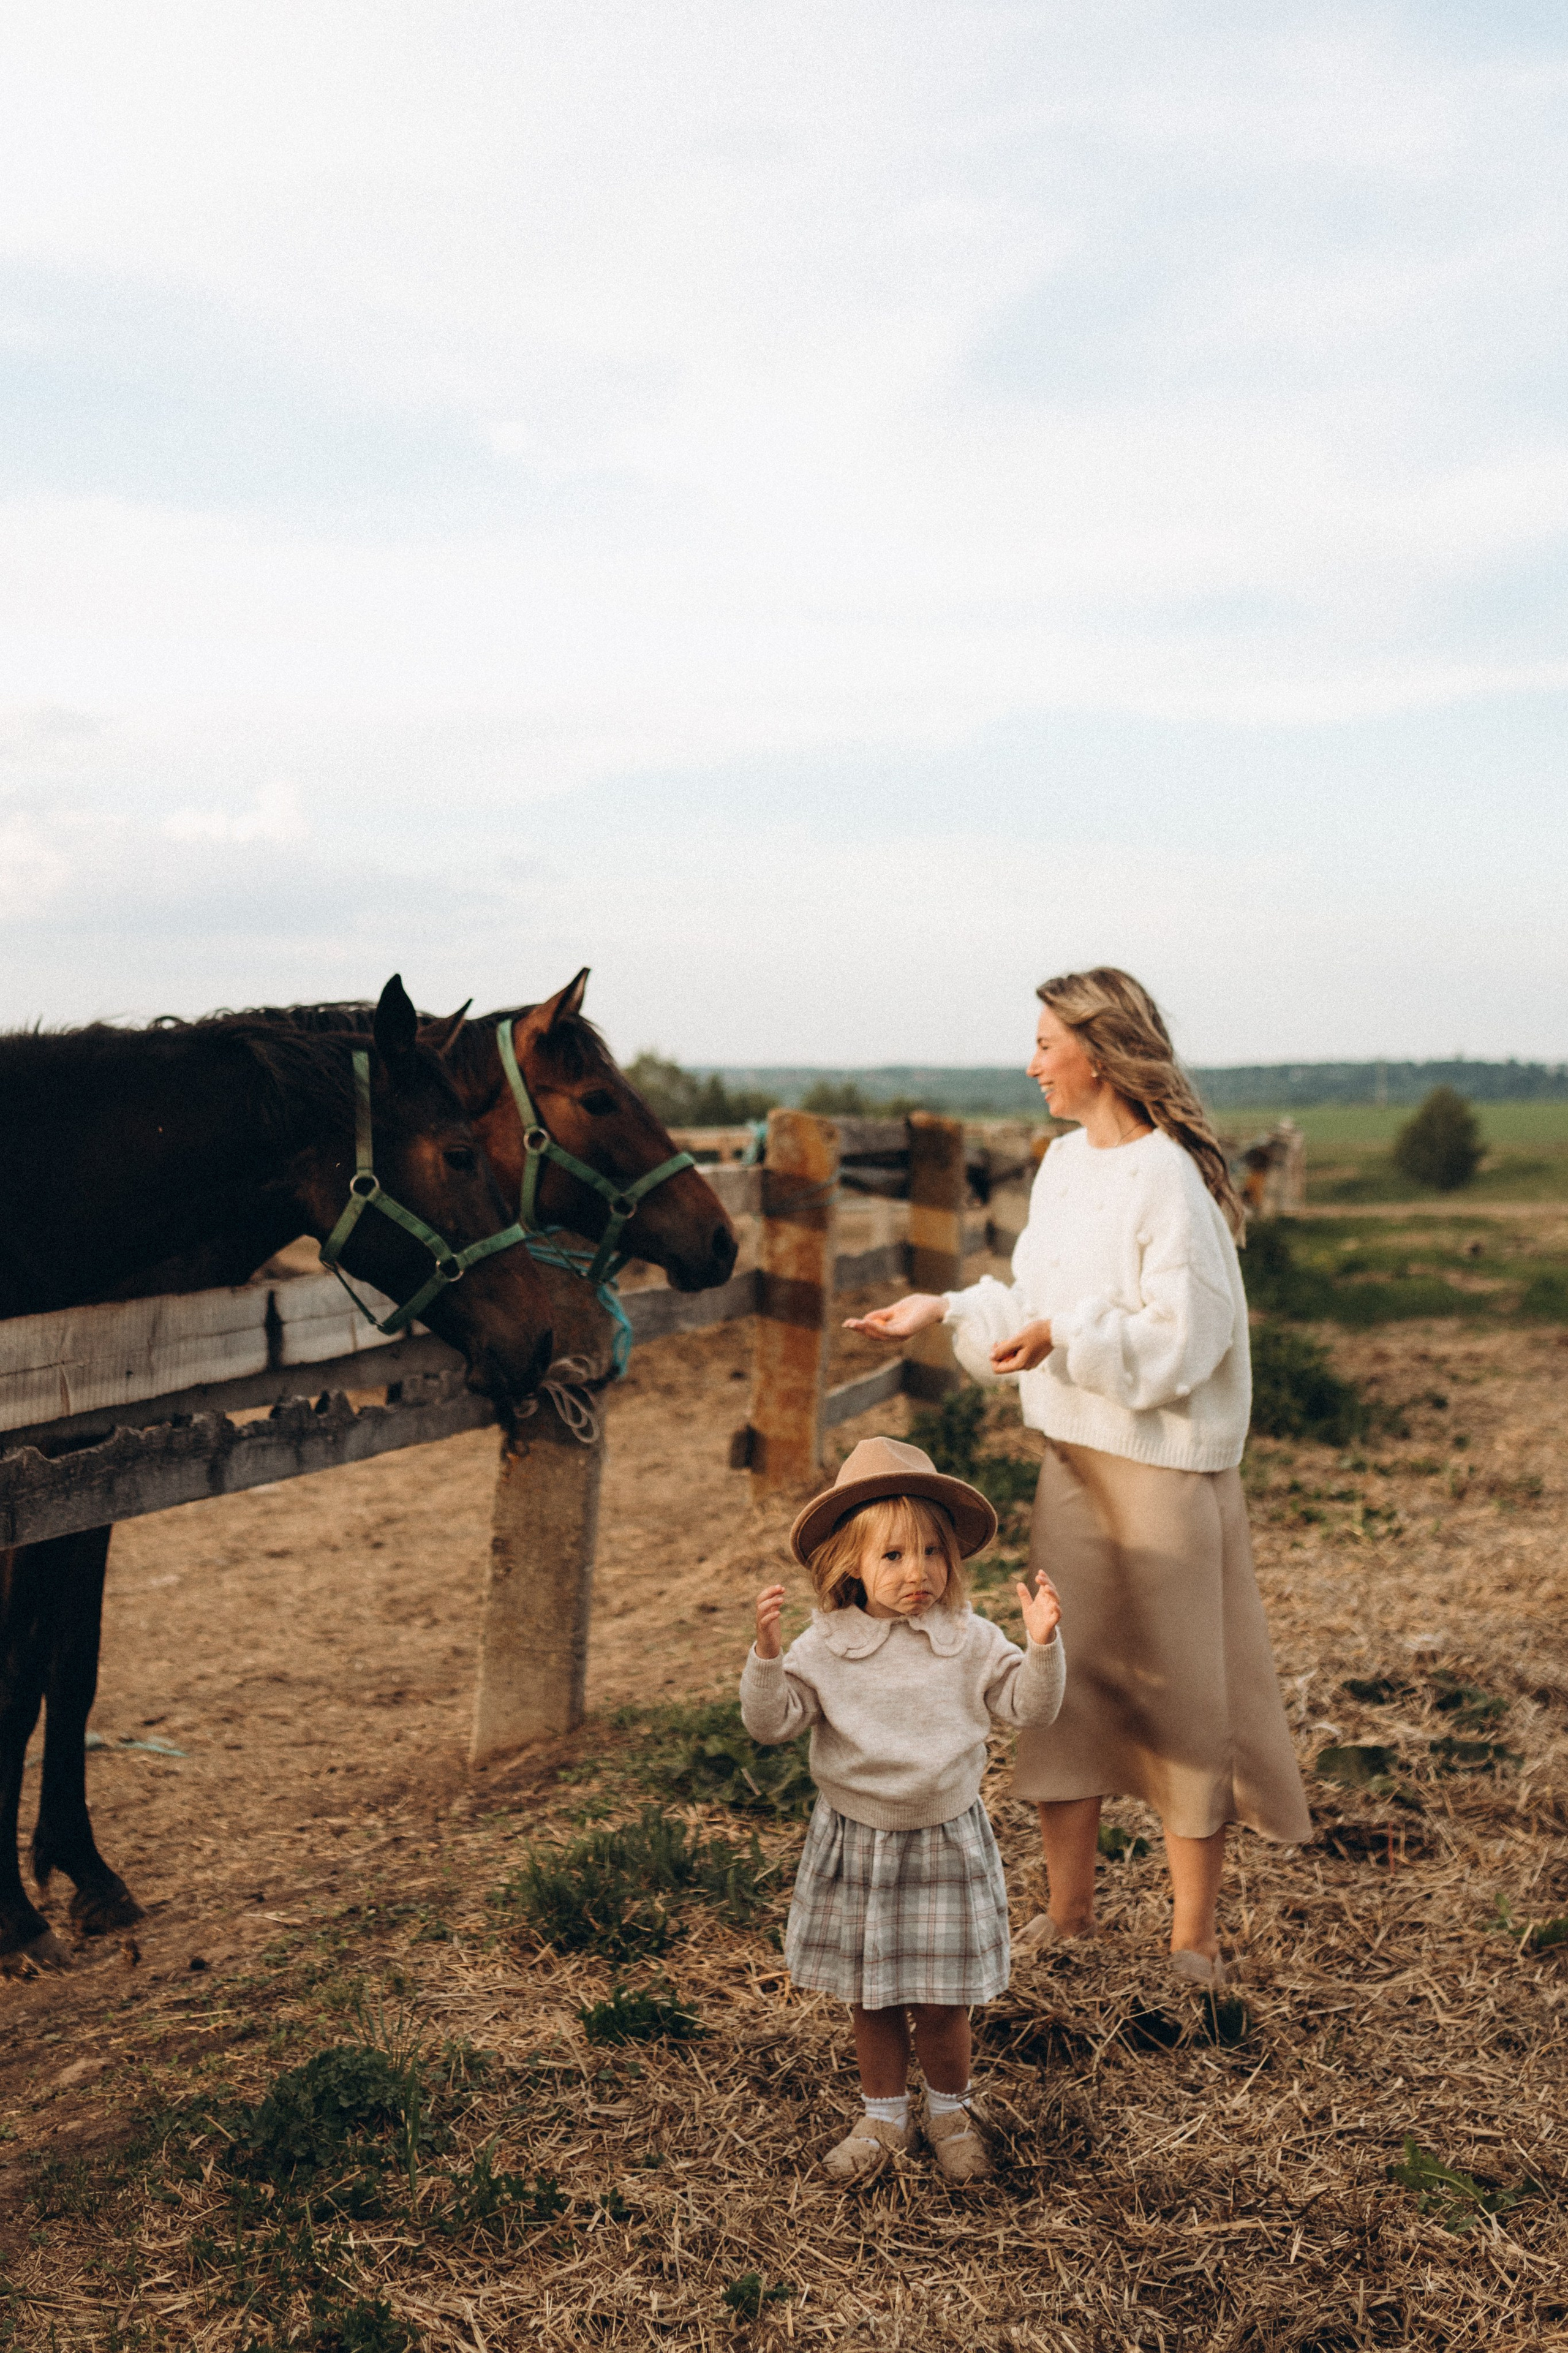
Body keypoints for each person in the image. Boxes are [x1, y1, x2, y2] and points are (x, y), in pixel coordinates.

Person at [846, 967, 1310, 1992]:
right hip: (1073, 1465)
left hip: (1164, 1472)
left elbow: (1187, 1338)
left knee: (1184, 1699)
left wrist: (1068, 1334)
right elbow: (1036, 1304)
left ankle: (1193, 1943)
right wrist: (950, 1308)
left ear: (1096, 1054)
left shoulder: (1171, 1177)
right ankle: (1070, 1918)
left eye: (1047, 1042)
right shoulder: (1062, 1165)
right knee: (1066, 1686)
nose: (1032, 1063)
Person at [741, 1435, 1063, 2183]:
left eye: (931, 1552)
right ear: (849, 1563)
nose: (917, 1571)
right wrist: (764, 1656)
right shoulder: (824, 1646)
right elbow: (771, 1722)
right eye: (892, 1556)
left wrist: (1042, 1648)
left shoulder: (969, 1639)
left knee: (944, 2002)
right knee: (873, 2000)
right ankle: (883, 2116)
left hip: (944, 1839)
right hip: (859, 1842)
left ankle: (951, 2110)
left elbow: (1030, 1709)